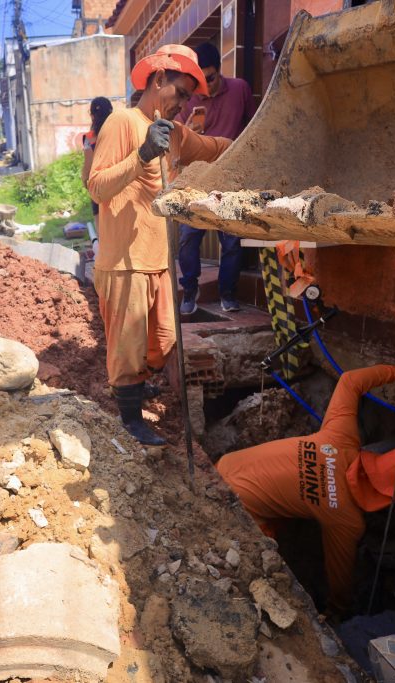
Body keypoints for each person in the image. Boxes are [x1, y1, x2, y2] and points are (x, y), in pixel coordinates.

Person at [216, 349, 395, 617]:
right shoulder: (346, 519)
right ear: (388, 500)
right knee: (268, 548)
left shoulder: (342, 436)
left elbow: (350, 382)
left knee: (284, 501)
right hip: (236, 511)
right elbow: (339, 571)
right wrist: (338, 610)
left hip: (224, 466)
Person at [87, 44, 231, 446]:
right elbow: (97, 187)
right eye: (180, 94)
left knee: (163, 340)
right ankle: (129, 417)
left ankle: (136, 385)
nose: (183, 106)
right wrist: (144, 153)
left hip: (158, 261)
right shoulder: (121, 122)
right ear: (157, 80)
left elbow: (215, 147)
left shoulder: (178, 134)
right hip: (125, 261)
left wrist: (251, 140)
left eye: (188, 99)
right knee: (128, 348)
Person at [175, 42, 257, 314]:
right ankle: (189, 289)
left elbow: (252, 127)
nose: (205, 87)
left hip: (230, 178)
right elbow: (179, 144)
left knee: (231, 242)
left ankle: (228, 292)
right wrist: (188, 131)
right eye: (199, 81)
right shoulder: (190, 100)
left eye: (209, 78)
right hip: (197, 180)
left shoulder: (240, 89)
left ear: (219, 70)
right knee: (188, 239)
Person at [81, 96, 114, 219]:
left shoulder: (89, 138)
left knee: (103, 233)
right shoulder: (119, 133)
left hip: (99, 188)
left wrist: (85, 182)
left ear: (92, 115)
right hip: (120, 185)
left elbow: (87, 169)